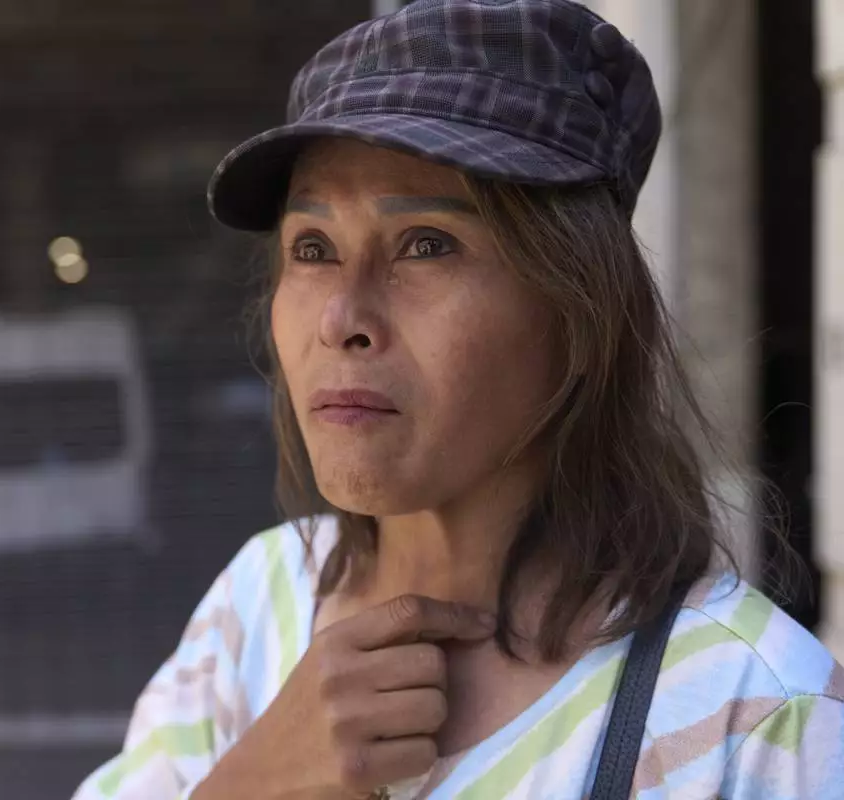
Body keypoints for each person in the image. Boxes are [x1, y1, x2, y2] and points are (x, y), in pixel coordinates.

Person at [68, 0, 844, 798]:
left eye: (426, 245)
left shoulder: (754, 721)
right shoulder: (257, 612)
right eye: (313, 248)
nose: (341, 319)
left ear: (583, 311)